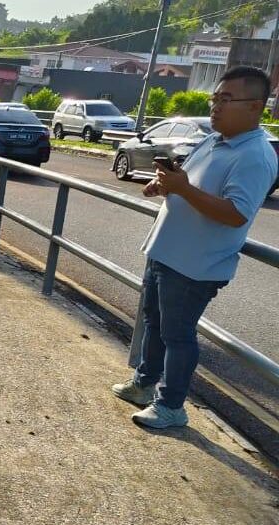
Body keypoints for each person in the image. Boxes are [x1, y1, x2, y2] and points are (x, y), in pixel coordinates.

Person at [111, 66, 277, 429]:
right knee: (154, 323)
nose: (216, 107)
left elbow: (236, 214)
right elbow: (190, 185)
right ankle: (144, 383)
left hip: (195, 265)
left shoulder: (255, 155)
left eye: (226, 99)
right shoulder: (214, 141)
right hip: (166, 251)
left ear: (255, 106)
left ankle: (171, 406)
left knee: (177, 335)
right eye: (215, 98)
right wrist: (166, 185)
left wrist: (183, 189)